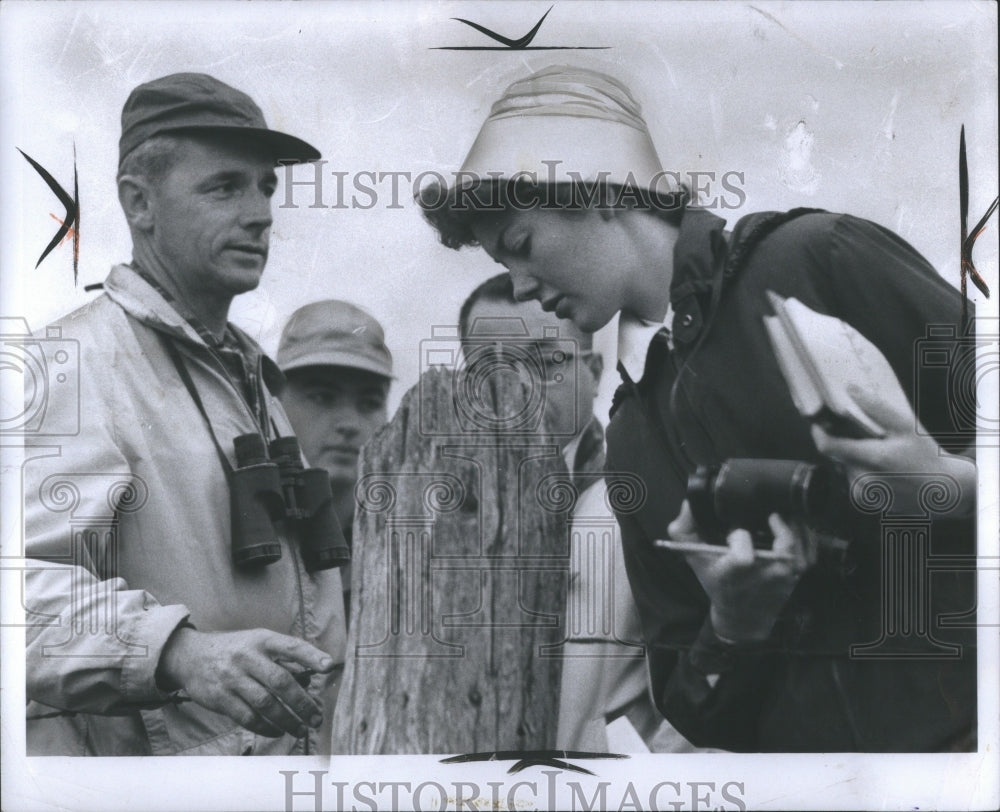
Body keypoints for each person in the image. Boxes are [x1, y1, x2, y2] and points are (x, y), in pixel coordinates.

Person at [419, 64, 976, 751]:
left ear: (598, 190)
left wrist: (950, 489)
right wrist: (736, 624)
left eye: (521, 247)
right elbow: (696, 711)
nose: (522, 285)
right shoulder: (633, 434)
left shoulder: (817, 259)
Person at [24, 73, 348, 756]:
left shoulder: (249, 372)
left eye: (267, 187)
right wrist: (176, 653)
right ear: (139, 204)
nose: (261, 213)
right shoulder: (73, 363)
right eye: (225, 187)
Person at [458, 273, 697, 753]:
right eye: (494, 369)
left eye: (547, 363)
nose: (520, 388)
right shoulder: (437, 524)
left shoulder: (644, 507)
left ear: (591, 370)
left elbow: (703, 705)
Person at [276, 300, 393, 620]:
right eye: (322, 397)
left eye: (369, 403)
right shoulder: (238, 522)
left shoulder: (411, 547)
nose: (349, 423)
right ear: (276, 403)